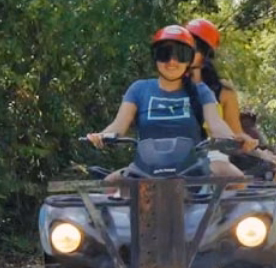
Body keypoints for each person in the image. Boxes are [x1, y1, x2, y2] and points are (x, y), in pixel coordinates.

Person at [86, 25, 242, 169]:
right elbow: (118, 126)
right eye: (164, 54)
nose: (172, 62)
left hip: (192, 169)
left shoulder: (201, 91)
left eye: (181, 55)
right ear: (155, 58)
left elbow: (216, 125)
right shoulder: (139, 89)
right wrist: (102, 136)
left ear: (189, 60)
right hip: (146, 168)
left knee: (231, 176)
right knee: (111, 184)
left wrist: (233, 140)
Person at [185, 18, 266, 177]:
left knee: (235, 179)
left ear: (206, 54)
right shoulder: (167, 85)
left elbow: (233, 135)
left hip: (211, 157)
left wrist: (250, 146)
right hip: (167, 156)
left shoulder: (223, 92)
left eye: (194, 47)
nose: (185, 53)